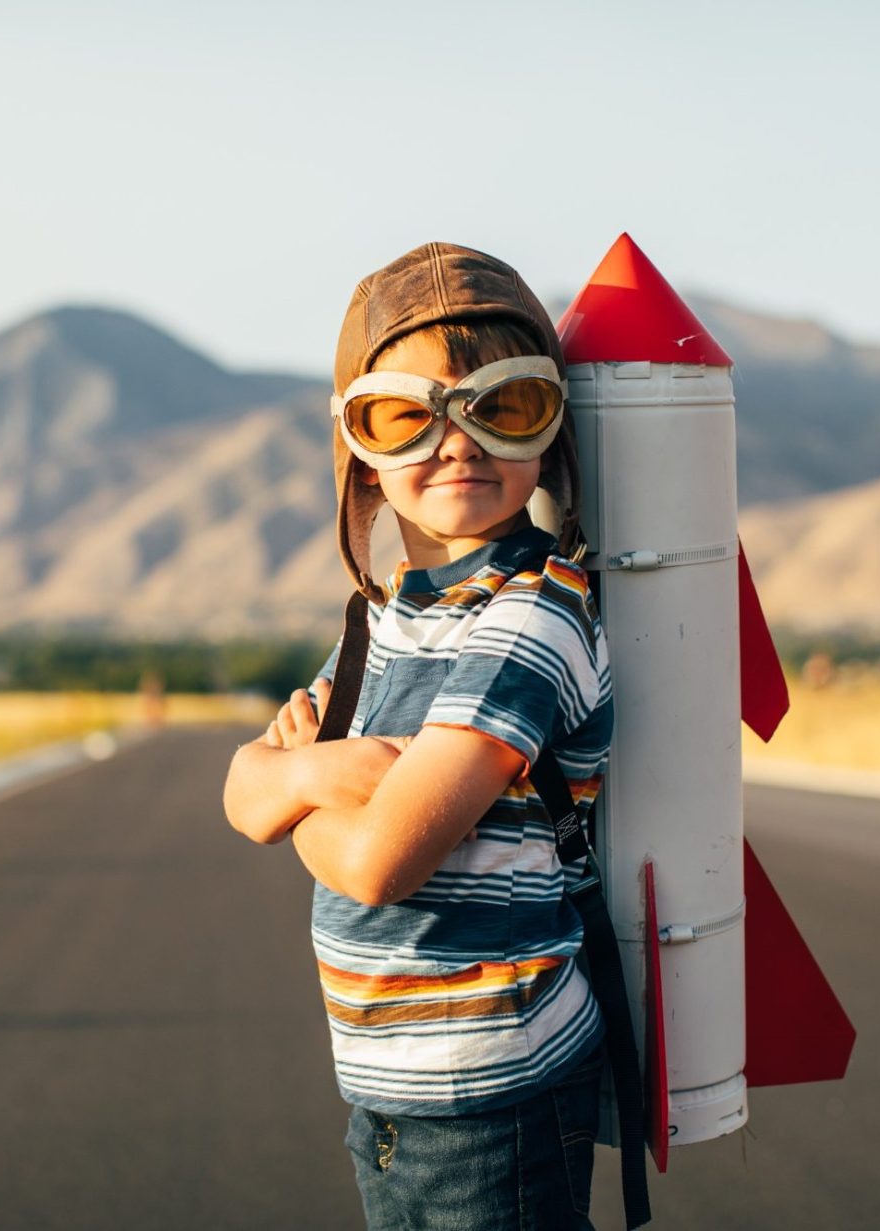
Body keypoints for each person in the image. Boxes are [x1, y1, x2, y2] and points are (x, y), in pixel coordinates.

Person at [224, 242, 615, 1230]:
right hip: (390, 1087)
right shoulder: (379, 621)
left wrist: (302, 782)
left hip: (495, 1090)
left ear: (552, 429)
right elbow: (241, 791)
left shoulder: (534, 613)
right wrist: (323, 774)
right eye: (405, 415)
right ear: (358, 444)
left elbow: (378, 864)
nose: (458, 442)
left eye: (505, 405)